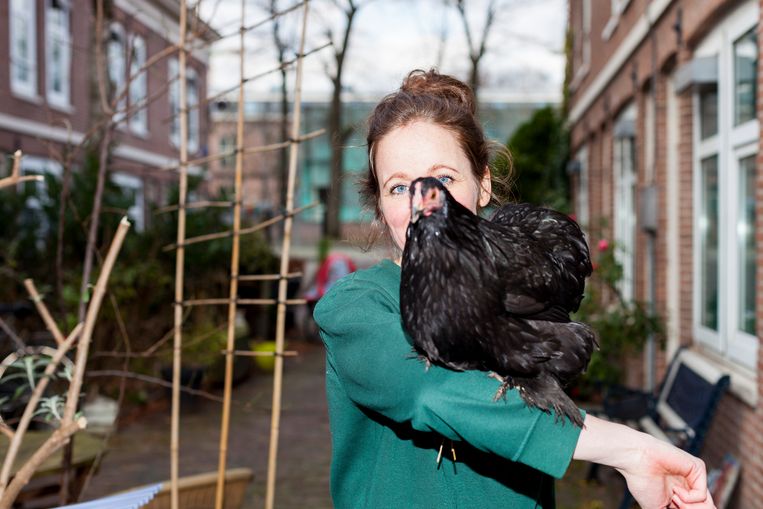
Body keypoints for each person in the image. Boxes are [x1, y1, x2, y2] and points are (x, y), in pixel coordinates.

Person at [313, 69, 715, 509]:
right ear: (380, 205)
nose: (420, 202)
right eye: (398, 187)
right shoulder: (357, 307)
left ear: (483, 184)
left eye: (443, 179)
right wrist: (630, 450)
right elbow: (427, 391)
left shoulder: (511, 285)